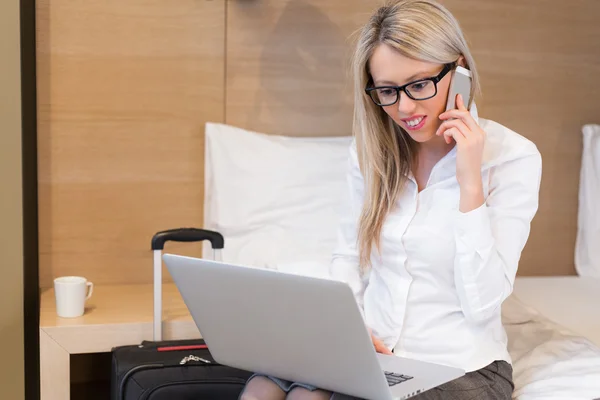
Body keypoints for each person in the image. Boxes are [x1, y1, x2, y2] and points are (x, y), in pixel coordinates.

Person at [239, 0, 542, 399]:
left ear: (461, 69)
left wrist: (470, 183)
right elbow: (348, 256)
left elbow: (482, 304)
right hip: (371, 351)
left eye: (419, 85)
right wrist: (351, 331)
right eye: (387, 90)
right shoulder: (371, 153)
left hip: (459, 366)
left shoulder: (513, 157)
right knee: (267, 388)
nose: (404, 108)